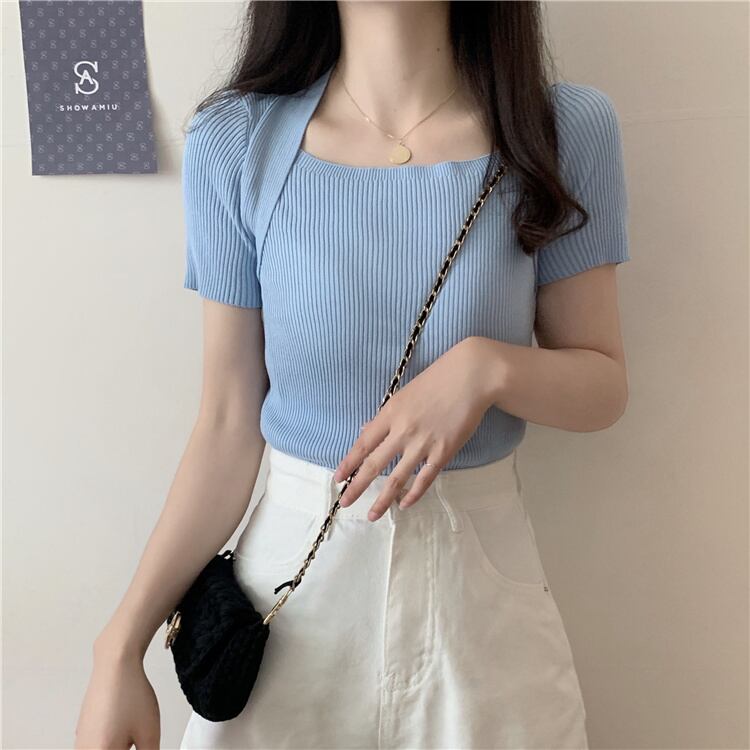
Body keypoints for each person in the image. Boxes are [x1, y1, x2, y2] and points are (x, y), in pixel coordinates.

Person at [75, 2, 631, 748]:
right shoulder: (236, 141)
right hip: (292, 601)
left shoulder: (561, 128)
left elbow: (602, 387)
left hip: (479, 600)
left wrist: (487, 368)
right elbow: (227, 425)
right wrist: (119, 648)